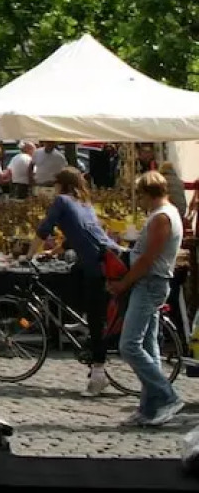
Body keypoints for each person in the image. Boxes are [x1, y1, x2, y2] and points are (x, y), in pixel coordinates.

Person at [31, 167, 120, 396]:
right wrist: (54, 253)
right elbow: (75, 234)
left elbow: (44, 230)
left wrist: (26, 255)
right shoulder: (84, 203)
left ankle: (98, 375)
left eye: (55, 184)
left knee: (97, 321)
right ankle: (85, 320)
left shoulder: (61, 201)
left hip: (97, 265)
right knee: (73, 279)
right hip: (103, 258)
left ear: (61, 185)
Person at [109, 170, 185, 426]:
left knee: (129, 345)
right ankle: (148, 408)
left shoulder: (161, 217)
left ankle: (167, 396)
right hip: (150, 282)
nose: (139, 202)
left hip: (150, 283)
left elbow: (147, 259)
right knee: (149, 347)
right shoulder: (164, 214)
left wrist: (123, 283)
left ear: (146, 193)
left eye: (140, 195)